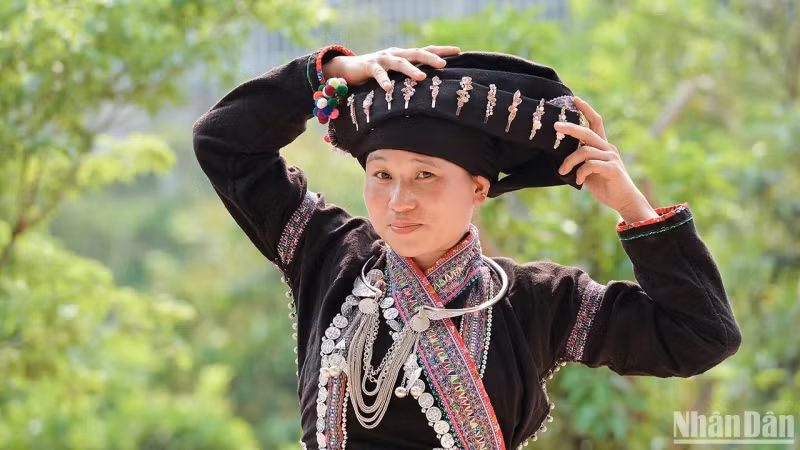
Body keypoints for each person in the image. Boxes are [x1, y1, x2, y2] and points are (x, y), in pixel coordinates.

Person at [192, 44, 742, 450]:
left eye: (426, 175)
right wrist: (325, 73)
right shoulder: (328, 253)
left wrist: (634, 209)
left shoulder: (539, 302)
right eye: (381, 175)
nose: (398, 200)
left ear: (479, 189)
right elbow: (225, 143)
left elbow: (699, 337)